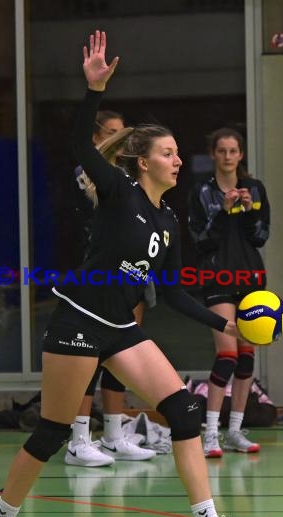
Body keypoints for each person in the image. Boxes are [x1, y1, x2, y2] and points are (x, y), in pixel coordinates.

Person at [0, 30, 265, 517]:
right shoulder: (118, 192)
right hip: (79, 320)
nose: (178, 161)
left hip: (122, 330)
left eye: (179, 153)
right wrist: (93, 91)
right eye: (168, 153)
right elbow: (79, 147)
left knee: (181, 412)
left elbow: (173, 290)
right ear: (142, 162)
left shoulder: (168, 218)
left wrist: (224, 323)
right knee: (52, 432)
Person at [68, 110, 156, 467]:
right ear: (97, 136)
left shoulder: (129, 179)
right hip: (94, 273)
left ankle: (115, 435)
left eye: (125, 135)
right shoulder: (90, 174)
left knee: (122, 348)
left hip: (127, 274)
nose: (122, 141)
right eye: (114, 134)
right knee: (87, 356)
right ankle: (78, 438)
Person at [188, 127, 270, 458]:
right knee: (228, 356)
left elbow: (262, 235)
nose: (227, 157)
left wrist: (250, 212)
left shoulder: (255, 188)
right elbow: (201, 240)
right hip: (217, 279)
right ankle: (210, 434)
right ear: (213, 154)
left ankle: (235, 431)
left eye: (233, 151)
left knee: (247, 357)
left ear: (241, 155)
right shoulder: (201, 192)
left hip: (250, 280)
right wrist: (223, 210)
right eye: (221, 151)